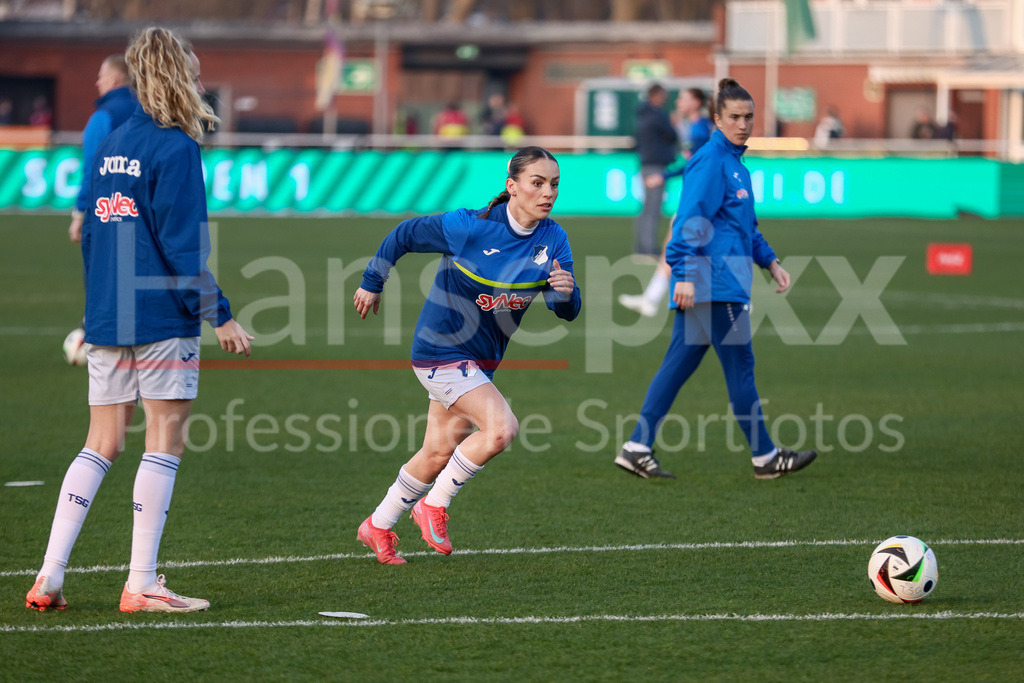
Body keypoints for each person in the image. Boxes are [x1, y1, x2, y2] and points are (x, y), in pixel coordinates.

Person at [25, 27, 253, 614]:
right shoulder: (176, 147)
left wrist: (96, 309)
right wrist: (220, 316)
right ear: (176, 75)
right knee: (164, 442)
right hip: (160, 320)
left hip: (107, 315)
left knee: (99, 443)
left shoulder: (110, 142)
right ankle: (142, 583)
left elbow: (92, 237)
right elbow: (183, 250)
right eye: (194, 73)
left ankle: (49, 576)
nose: (200, 83)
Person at [352, 146, 581, 565]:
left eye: (554, 184)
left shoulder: (554, 238)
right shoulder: (470, 226)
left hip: (480, 363)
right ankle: (433, 505)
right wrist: (373, 280)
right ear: (512, 187)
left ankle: (379, 525)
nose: (547, 192)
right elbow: (404, 233)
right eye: (537, 182)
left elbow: (564, 308)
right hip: (439, 351)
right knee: (500, 430)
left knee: (437, 453)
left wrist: (566, 293)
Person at [614, 78, 817, 480]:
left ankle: (637, 446)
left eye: (748, 117)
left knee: (677, 364)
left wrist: (770, 261)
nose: (743, 124)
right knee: (741, 367)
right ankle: (764, 456)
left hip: (723, 281)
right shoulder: (712, 160)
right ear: (717, 120)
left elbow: (743, 228)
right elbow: (689, 221)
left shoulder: (736, 164)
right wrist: (685, 275)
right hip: (713, 283)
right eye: (735, 118)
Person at [620, 87, 712, 317]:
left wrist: (662, 175)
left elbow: (692, 165)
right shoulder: (695, 127)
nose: (678, 100)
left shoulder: (700, 129)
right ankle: (650, 299)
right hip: (695, 194)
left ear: (696, 102)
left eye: (683, 97)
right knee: (673, 246)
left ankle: (737, 299)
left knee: (700, 248)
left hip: (699, 197)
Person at [68, 54, 137, 245]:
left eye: (101, 77)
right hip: (145, 212)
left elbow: (93, 167)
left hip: (110, 211)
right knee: (135, 271)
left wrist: (80, 213)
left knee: (108, 272)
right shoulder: (149, 111)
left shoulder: (104, 116)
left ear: (114, 78)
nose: (97, 83)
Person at [632, 83, 679, 258]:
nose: (665, 98)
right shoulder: (657, 115)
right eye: (663, 95)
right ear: (656, 95)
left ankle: (642, 245)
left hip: (645, 162)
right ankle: (648, 248)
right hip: (656, 164)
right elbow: (672, 135)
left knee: (646, 208)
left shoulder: (641, 115)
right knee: (653, 208)